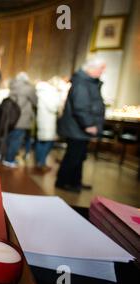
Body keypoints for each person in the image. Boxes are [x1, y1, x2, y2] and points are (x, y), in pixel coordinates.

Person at [56, 57, 106, 192]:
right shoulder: (82, 83)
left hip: (79, 128)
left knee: (80, 156)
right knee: (73, 156)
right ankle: (63, 182)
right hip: (77, 127)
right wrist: (89, 124)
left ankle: (75, 181)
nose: (103, 71)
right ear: (91, 68)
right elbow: (81, 106)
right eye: (101, 68)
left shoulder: (87, 81)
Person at [3, 72, 37, 168]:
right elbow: (35, 101)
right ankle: (10, 160)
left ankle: (6, 157)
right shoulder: (29, 89)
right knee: (17, 140)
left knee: (10, 138)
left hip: (11, 117)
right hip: (22, 117)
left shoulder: (13, 86)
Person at [34, 79, 62, 173]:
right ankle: (41, 162)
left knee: (41, 141)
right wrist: (59, 98)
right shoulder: (49, 93)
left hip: (42, 120)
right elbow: (53, 107)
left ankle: (39, 161)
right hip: (48, 121)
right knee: (48, 142)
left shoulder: (41, 92)